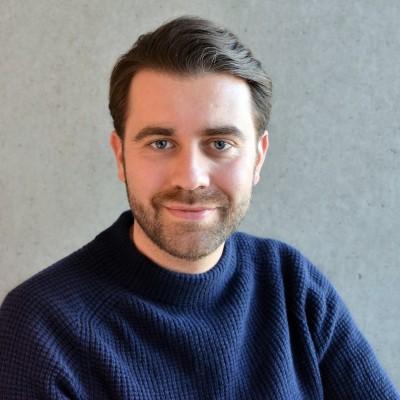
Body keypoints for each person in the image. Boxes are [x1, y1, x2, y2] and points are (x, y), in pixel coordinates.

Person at [0, 16, 398, 400]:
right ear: (120, 156)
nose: (191, 178)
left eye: (220, 144)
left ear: (258, 158)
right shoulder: (40, 328)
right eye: (160, 143)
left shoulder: (292, 287)